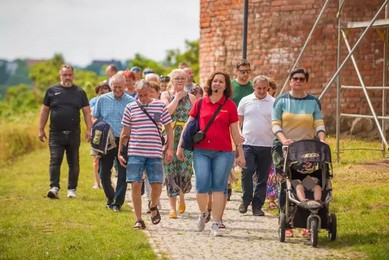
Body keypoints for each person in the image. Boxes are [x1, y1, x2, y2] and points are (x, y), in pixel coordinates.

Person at [177, 71, 245, 237]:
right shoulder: (200, 103)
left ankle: (215, 222)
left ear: (225, 85)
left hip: (224, 152)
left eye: (221, 82)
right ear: (210, 83)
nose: (217, 84)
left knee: (218, 188)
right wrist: (179, 146)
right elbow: (188, 126)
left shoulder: (229, 105)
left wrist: (240, 153)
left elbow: (236, 131)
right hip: (201, 151)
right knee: (201, 186)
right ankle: (202, 214)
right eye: (215, 81)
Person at [272, 67, 326, 237]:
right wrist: (283, 140)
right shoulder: (281, 100)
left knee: (308, 181)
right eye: (295, 78)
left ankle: (307, 220)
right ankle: (287, 222)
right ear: (290, 81)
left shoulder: (313, 101)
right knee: (286, 184)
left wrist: (322, 140)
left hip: (307, 148)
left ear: (306, 82)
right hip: (284, 148)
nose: (298, 81)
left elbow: (318, 123)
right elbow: (275, 124)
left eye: (302, 79)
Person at [118, 80, 174, 229]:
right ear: (136, 93)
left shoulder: (160, 106)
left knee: (157, 184)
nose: (142, 98)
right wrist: (120, 152)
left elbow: (169, 128)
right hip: (135, 152)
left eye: (144, 95)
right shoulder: (130, 107)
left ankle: (153, 204)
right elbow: (125, 133)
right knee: (136, 184)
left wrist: (170, 148)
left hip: (155, 151)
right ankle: (138, 219)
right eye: (139, 95)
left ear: (150, 91)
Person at [39, 64, 92, 199]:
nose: (67, 77)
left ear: (73, 75)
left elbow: (86, 112)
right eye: (65, 75)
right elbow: (45, 110)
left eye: (70, 75)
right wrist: (41, 129)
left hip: (74, 133)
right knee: (55, 160)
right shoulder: (51, 91)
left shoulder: (80, 92)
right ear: (60, 75)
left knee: (73, 162)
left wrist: (89, 130)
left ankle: (72, 189)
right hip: (56, 134)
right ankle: (54, 188)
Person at [92, 74, 135, 211]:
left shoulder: (131, 101)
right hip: (107, 141)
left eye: (120, 87)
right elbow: (94, 118)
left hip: (124, 140)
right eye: (115, 87)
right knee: (103, 173)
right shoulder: (102, 99)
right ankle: (110, 197)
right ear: (111, 86)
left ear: (125, 86)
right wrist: (101, 126)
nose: (117, 90)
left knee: (123, 173)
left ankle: (117, 202)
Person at [160, 69, 196, 219]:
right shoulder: (165, 95)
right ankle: (172, 208)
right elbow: (166, 113)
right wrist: (177, 98)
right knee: (170, 171)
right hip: (170, 135)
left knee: (184, 171)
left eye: (183, 78)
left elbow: (195, 118)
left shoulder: (192, 97)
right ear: (172, 80)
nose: (180, 81)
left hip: (185, 137)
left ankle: (181, 197)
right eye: (177, 78)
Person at [237, 75, 275, 216]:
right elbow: (238, 122)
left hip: (267, 144)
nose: (261, 91)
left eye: (265, 88)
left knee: (262, 177)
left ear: (268, 88)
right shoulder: (245, 101)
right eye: (259, 88)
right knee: (247, 170)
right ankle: (246, 199)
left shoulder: (273, 102)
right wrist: (238, 137)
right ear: (254, 87)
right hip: (248, 143)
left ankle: (257, 205)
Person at [90, 82, 111, 189]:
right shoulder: (94, 101)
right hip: (98, 132)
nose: (104, 90)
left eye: (106, 88)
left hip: (109, 133)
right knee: (96, 159)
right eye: (102, 89)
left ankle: (107, 181)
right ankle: (97, 181)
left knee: (109, 158)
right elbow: (92, 116)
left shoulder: (112, 100)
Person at [265, 77, 279, 209]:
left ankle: (271, 199)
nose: (265, 91)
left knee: (272, 172)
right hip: (260, 141)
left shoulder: (277, 103)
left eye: (268, 89)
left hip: (274, 141)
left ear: (273, 90)